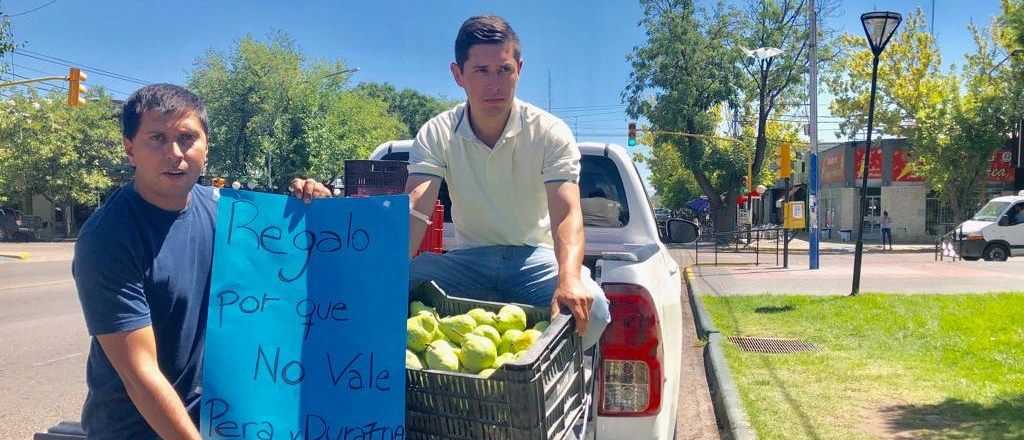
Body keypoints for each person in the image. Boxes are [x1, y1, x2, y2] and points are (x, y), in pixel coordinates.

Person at [294, 16, 610, 346]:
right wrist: (376, 260)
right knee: (383, 288)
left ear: (519, 68)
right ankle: (388, 385)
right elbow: (414, 209)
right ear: (458, 74)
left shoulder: (549, 131)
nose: (495, 84)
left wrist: (570, 278)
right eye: (481, 71)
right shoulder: (437, 132)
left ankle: (545, 384)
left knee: (596, 309)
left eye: (504, 70)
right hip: (468, 261)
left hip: (535, 259)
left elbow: (567, 214)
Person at [73, 84, 326, 440]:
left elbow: (289, 279)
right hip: (138, 429)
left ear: (206, 148)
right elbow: (139, 374)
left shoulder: (230, 214)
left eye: (187, 138)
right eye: (157, 138)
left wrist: (317, 208)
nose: (174, 153)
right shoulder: (108, 238)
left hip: (222, 419)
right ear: (130, 150)